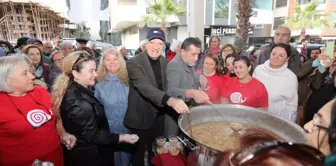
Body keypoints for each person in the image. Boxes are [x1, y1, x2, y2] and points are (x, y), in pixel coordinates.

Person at [52, 51, 139, 166]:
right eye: (91, 71)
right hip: (90, 155)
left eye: (94, 70)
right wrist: (122, 137)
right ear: (76, 74)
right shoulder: (79, 101)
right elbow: (91, 135)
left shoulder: (81, 91)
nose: (95, 74)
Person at [123, 28, 189, 166]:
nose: (156, 46)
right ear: (145, 44)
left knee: (158, 155)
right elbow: (144, 87)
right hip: (140, 119)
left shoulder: (164, 62)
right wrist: (170, 101)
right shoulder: (133, 62)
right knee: (139, 158)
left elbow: (173, 82)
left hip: (159, 118)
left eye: (160, 43)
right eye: (153, 42)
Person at [0, 55, 67, 166]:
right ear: (6, 80)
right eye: (25, 73)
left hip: (55, 159)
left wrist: (63, 134)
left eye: (30, 71)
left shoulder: (41, 91)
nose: (32, 76)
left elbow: (56, 117)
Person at [166, 37, 211, 136]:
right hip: (176, 115)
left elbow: (192, 76)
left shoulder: (188, 61)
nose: (196, 58)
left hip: (188, 112)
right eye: (193, 54)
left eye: (198, 55)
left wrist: (201, 76)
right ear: (182, 52)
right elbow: (170, 91)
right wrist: (191, 93)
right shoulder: (174, 65)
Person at [95, 49, 132, 166]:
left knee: (127, 158)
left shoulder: (129, 80)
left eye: (115, 59)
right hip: (109, 131)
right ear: (103, 63)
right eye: (108, 60)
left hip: (127, 127)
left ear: (120, 61)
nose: (112, 62)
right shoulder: (97, 84)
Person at [253, 43, 298, 122]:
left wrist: (287, 125)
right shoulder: (258, 70)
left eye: (281, 55)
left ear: (287, 58)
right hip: (255, 116)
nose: (276, 57)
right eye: (274, 54)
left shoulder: (290, 77)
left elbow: (292, 106)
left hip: (276, 120)